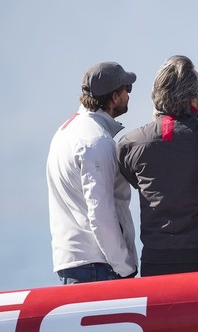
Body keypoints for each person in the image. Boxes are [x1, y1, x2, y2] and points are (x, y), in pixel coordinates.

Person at [117, 56, 198, 276]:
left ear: (156, 97)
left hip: (158, 263)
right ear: (194, 98)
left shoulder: (129, 144)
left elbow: (134, 178)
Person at [46, 61, 139, 284]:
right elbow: (101, 214)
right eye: (128, 89)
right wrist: (125, 267)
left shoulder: (65, 131)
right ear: (115, 97)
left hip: (75, 264)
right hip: (98, 267)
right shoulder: (96, 141)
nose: (129, 95)